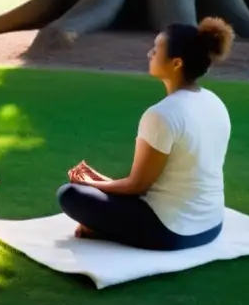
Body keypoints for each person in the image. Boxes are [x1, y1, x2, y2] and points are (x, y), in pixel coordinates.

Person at [57, 17, 236, 251]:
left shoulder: (162, 114)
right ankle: (103, 222)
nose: (149, 54)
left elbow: (137, 187)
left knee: (70, 194)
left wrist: (91, 183)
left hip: (172, 231)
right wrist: (99, 181)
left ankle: (102, 231)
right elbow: (146, 185)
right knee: (92, 191)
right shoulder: (214, 102)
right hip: (211, 226)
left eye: (157, 49)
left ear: (177, 63)